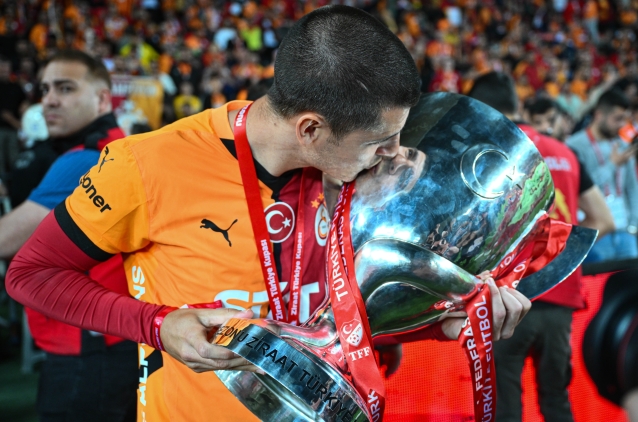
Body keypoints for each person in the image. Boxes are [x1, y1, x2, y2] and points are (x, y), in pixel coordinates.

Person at [7, 7, 531, 422]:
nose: (394, 155)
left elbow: (329, 322)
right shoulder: (146, 165)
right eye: (380, 140)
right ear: (310, 130)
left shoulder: (350, 173)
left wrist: (441, 322)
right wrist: (157, 325)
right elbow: (31, 273)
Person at [468, 71, 615, 422]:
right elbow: (604, 220)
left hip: (507, 298)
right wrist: (559, 254)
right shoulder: (565, 152)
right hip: (561, 296)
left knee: (504, 406)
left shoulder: (486, 154)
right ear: (516, 105)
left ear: (479, 110)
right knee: (556, 400)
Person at [0, 50, 135, 422]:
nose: (49, 100)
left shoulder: (83, 160)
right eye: (44, 89)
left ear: (102, 99)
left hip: (86, 345)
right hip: (110, 335)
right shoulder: (116, 147)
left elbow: (4, 240)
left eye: (65, 88)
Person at [567, 89, 638, 263]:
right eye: (617, 119)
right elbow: (580, 188)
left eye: (625, 119)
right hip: (597, 232)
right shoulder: (574, 145)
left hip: (625, 231)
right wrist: (612, 164)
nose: (622, 125)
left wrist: (634, 225)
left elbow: (633, 188)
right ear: (599, 115)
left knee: (632, 279)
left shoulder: (623, 145)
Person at [0, 56, 28, 178]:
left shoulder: (16, 87)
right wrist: (16, 123)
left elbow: (24, 103)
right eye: (1, 66)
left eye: (6, 66)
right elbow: (4, 114)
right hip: (2, 129)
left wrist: (25, 108)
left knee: (15, 159)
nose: (4, 69)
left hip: (13, 130)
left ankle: (17, 183)